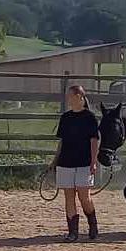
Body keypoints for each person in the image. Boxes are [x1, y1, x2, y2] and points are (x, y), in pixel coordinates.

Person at [50, 84, 101, 242]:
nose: (68, 99)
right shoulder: (65, 117)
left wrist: (93, 161)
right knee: (69, 196)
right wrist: (55, 160)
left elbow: (94, 141)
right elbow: (62, 141)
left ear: (79, 96)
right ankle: (73, 232)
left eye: (71, 96)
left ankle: (93, 224)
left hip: (84, 162)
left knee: (84, 196)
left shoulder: (90, 117)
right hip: (66, 161)